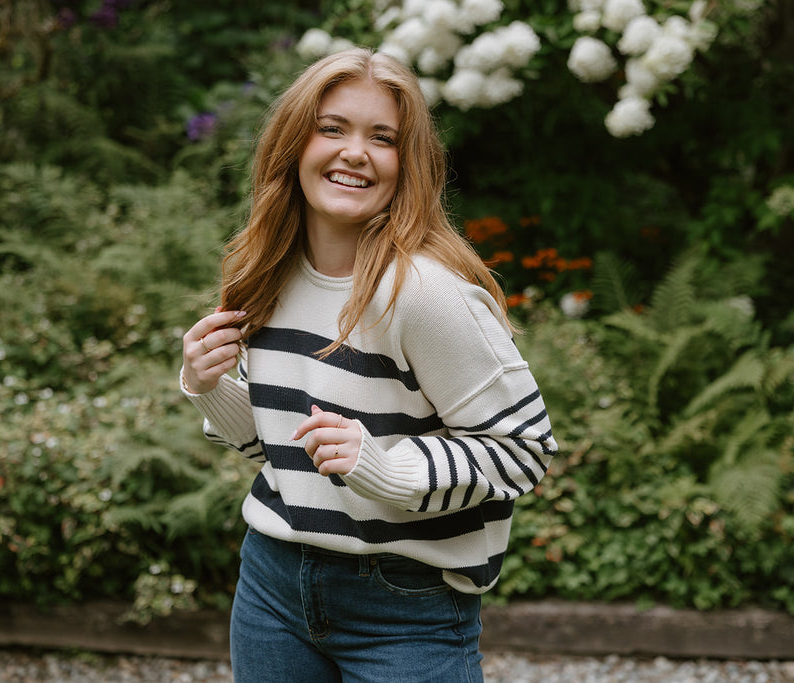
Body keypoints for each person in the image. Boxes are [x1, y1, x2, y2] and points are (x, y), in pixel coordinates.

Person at [180, 47, 558, 682]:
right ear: (292, 145)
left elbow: (525, 449)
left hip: (405, 606)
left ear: (405, 166)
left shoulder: (422, 293)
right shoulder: (264, 271)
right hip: (272, 584)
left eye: (382, 138)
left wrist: (383, 467)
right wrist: (209, 385)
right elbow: (280, 453)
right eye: (332, 128)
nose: (355, 152)